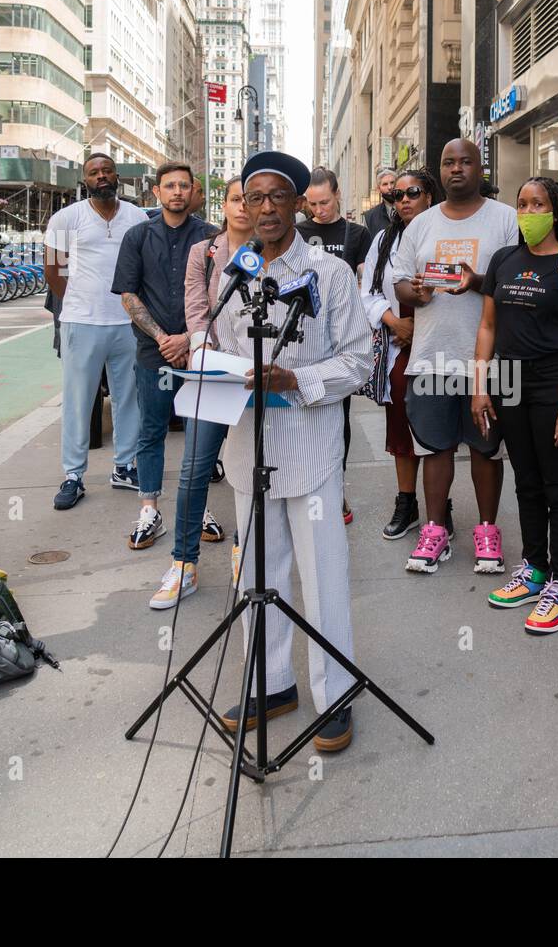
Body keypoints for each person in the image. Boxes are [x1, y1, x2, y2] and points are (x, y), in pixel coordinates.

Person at [215, 150, 371, 753]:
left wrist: (296, 380)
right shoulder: (236, 271)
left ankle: (334, 692)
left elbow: (359, 361)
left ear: (299, 203)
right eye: (255, 198)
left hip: (309, 452)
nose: (267, 208)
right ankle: (271, 684)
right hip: (248, 450)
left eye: (279, 197)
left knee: (322, 575)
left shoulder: (329, 275)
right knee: (260, 574)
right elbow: (223, 348)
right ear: (245, 207)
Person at [472, 177, 558, 634]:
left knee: (557, 486)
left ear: (556, 209)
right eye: (522, 204)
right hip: (508, 383)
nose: (528, 212)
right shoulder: (503, 260)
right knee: (526, 482)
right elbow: (488, 327)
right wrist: (480, 386)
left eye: (538, 204)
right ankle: (534, 568)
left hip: (554, 383)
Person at [392, 139, 517, 573]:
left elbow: (518, 281)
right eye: (448, 162)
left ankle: (487, 531)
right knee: (434, 447)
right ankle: (435, 531)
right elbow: (401, 283)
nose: (457, 169)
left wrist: (479, 280)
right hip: (431, 355)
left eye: (466, 161)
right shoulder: (420, 225)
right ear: (439, 170)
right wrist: (417, 292)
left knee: (487, 448)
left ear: (480, 167)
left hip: (492, 361)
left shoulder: (505, 220)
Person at [147, 177, 258, 610]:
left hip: (257, 371)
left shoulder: (272, 248)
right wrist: (200, 346)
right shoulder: (205, 252)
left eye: (249, 200)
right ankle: (184, 564)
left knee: (250, 468)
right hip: (212, 370)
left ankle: (243, 552)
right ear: (224, 205)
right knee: (195, 467)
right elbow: (195, 305)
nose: (243, 208)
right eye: (235, 199)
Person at [111, 163, 220, 549]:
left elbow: (218, 296)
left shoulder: (212, 238)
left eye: (184, 186)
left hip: (201, 351)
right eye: (169, 185)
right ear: (156, 192)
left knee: (199, 431)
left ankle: (198, 506)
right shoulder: (137, 236)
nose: (177, 191)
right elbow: (128, 294)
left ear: (193, 191)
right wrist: (163, 338)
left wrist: (189, 339)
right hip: (153, 351)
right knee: (152, 429)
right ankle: (149, 508)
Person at [44, 154, 150, 510]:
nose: (101, 177)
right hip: (82, 322)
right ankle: (73, 475)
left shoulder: (136, 216)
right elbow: (54, 270)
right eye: (94, 172)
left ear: (116, 176)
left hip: (126, 323)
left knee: (128, 398)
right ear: (84, 179)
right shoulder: (66, 218)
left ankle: (124, 466)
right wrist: (77, 301)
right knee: (78, 400)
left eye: (106, 171)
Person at [360, 168, 442, 540]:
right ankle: (406, 502)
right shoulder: (382, 241)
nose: (404, 200)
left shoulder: (445, 234)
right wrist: (395, 323)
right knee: (401, 426)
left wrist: (424, 330)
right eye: (397, 195)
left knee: (435, 428)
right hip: (400, 344)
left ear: (429, 196)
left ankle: (440, 509)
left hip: (439, 345)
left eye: (413, 193)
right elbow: (369, 294)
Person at [299, 167, 371, 523]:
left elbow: (366, 281)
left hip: (340, 335)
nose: (318, 210)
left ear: (337, 194)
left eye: (324, 202)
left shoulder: (356, 233)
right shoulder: (297, 232)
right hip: (301, 334)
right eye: (311, 204)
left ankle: (335, 486)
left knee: (336, 414)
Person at [364, 167, 399, 237]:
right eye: (385, 184)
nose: (390, 187)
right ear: (378, 189)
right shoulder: (370, 217)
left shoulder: (408, 208)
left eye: (392, 183)